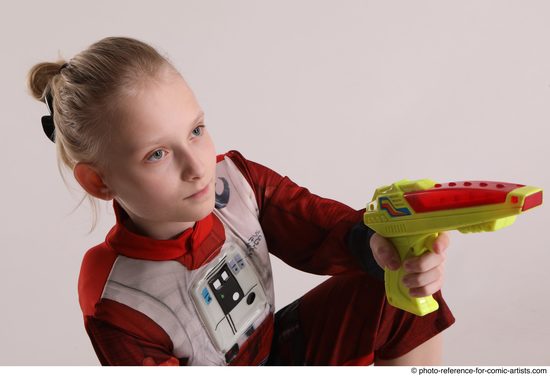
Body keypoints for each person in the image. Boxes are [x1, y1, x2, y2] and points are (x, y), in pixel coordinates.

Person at [27, 36, 455, 366]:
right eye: (156, 154)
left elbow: (321, 227)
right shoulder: (118, 296)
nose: (197, 166)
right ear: (99, 181)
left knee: (392, 289)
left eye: (195, 130)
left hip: (279, 351)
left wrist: (382, 248)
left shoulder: (237, 182)